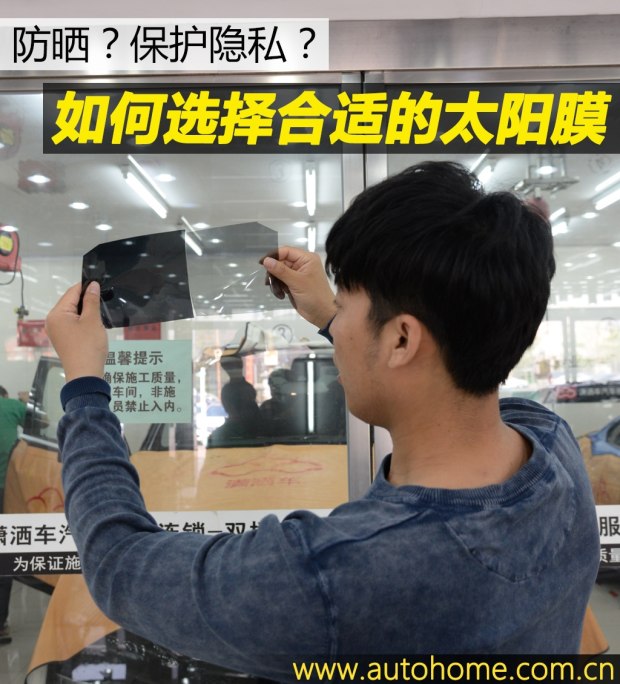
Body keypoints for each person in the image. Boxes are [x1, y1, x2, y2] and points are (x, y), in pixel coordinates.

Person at [45, 162, 599, 680]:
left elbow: (119, 564)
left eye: (347, 302)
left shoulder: (336, 574)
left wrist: (85, 386)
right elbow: (439, 381)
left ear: (402, 339)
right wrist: (334, 316)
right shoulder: (552, 449)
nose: (339, 322)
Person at [0, 385, 27, 644]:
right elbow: (43, 423)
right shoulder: (12, 406)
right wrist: (27, 401)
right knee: (4, 554)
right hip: (5, 490)